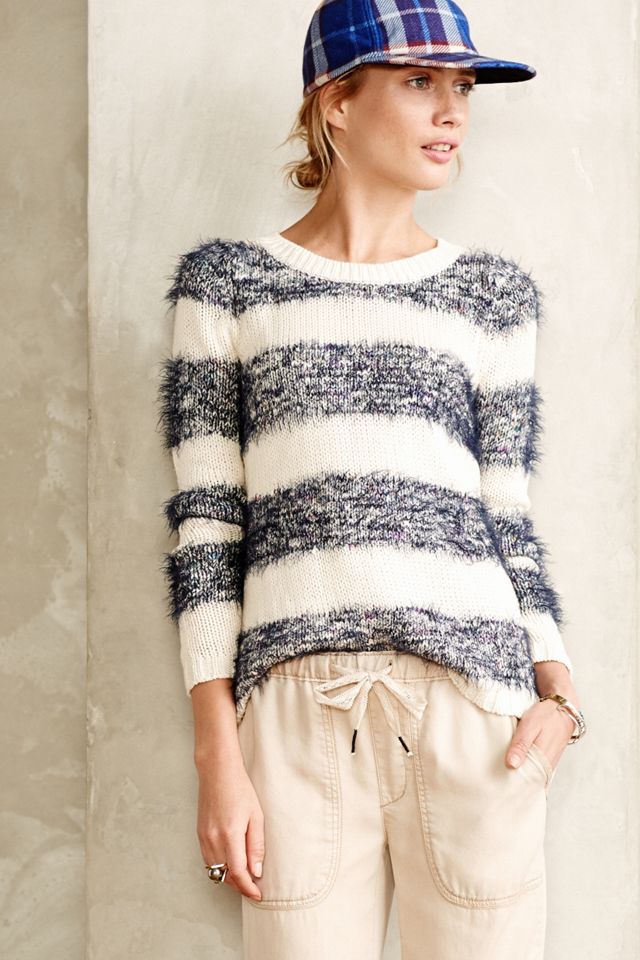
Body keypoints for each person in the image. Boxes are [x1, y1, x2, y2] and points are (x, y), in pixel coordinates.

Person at [157, 1, 586, 957]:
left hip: (477, 715)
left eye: (462, 87)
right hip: (295, 718)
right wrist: (217, 755)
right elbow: (207, 530)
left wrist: (558, 695)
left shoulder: (491, 296)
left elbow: (505, 512)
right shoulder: (227, 288)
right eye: (420, 82)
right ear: (336, 103)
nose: (453, 111)